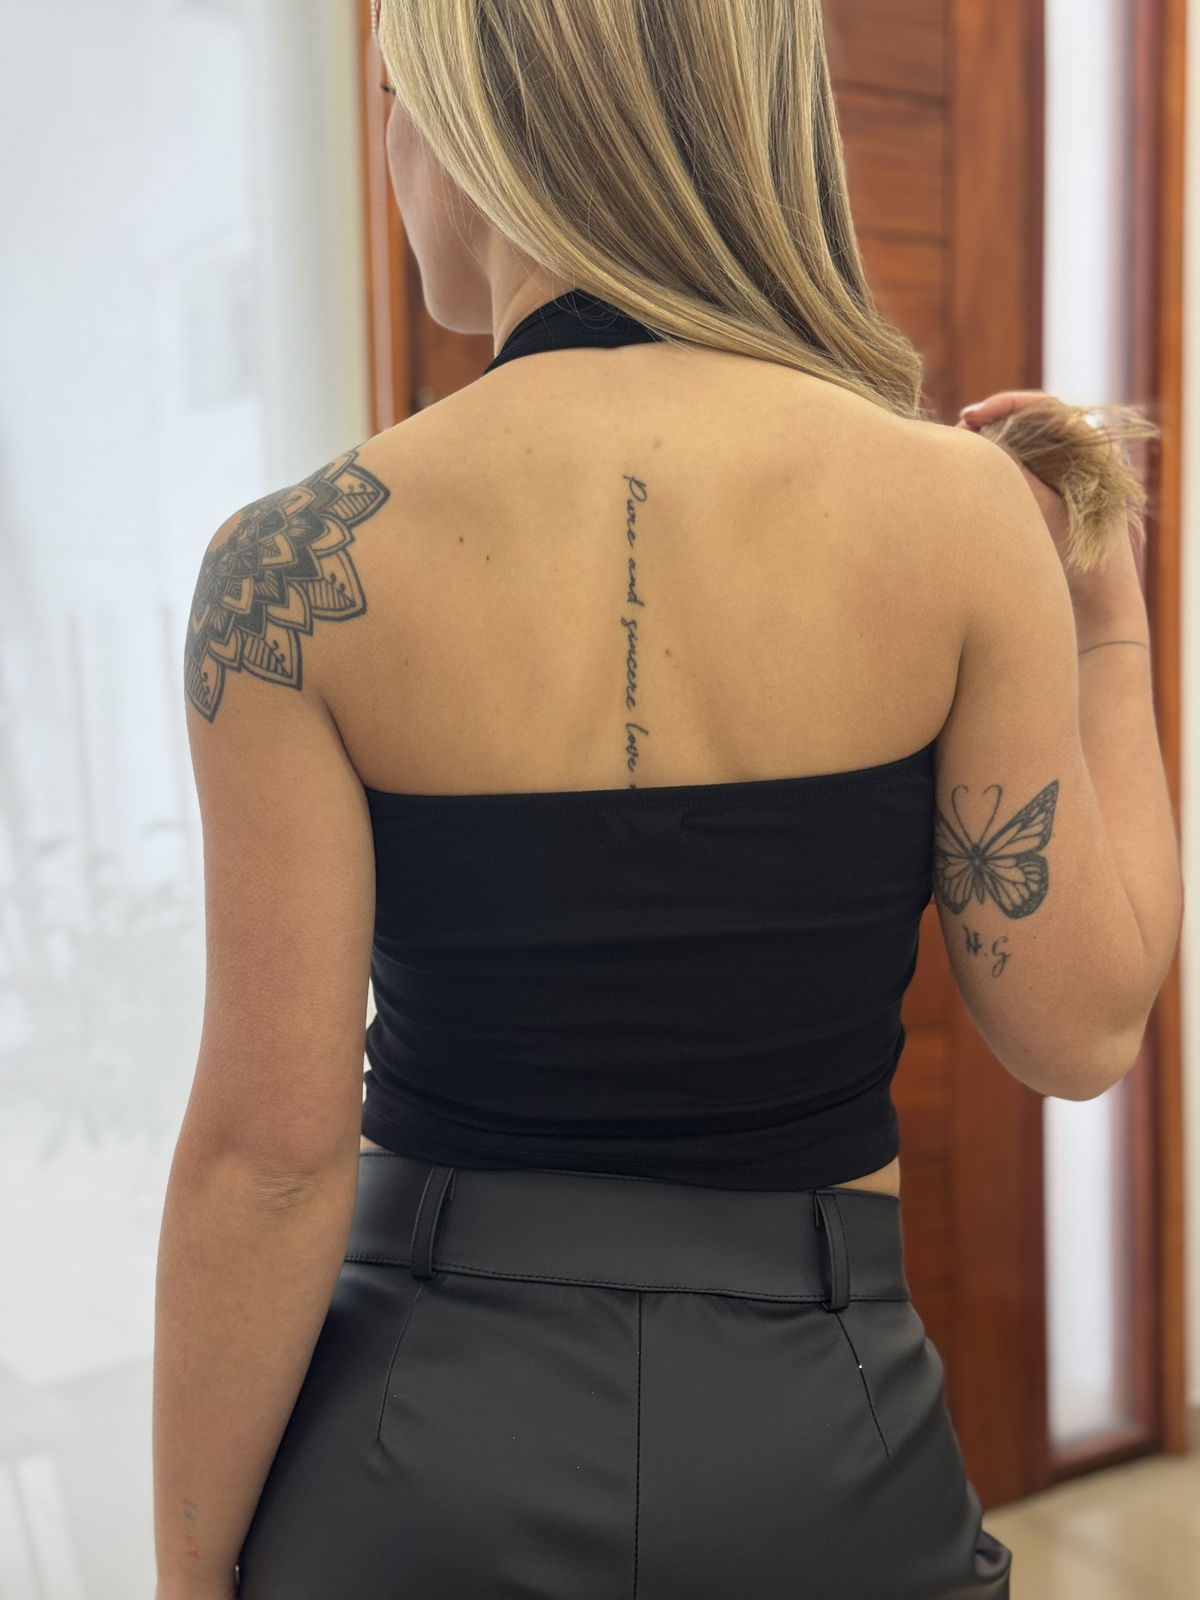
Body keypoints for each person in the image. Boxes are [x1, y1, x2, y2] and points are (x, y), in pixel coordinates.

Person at [151, 3, 1184, 1598]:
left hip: (425, 1441)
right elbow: (1082, 1030)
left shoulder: (291, 569)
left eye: (396, 96)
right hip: (823, 1432)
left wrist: (186, 1572)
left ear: (479, 125)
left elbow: (269, 1162)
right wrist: (1108, 621)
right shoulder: (961, 517)